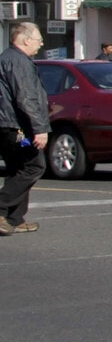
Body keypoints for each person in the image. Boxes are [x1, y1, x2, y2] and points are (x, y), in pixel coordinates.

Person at [0, 19, 49, 235]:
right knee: (34, 165)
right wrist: (40, 128)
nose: (41, 44)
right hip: (17, 127)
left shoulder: (10, 58)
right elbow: (26, 97)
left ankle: (14, 218)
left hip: (9, 124)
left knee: (17, 168)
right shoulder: (18, 62)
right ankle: (2, 208)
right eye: (38, 40)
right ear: (26, 40)